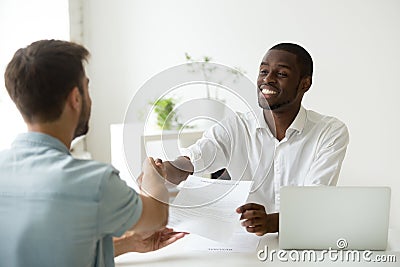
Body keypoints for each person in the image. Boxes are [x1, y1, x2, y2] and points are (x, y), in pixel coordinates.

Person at [0, 39, 185, 267]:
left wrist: (128, 244)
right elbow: (156, 217)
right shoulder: (94, 182)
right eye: (87, 87)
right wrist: (152, 174)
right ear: (75, 98)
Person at [162, 42, 349, 236]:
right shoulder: (236, 126)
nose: (268, 79)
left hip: (303, 241)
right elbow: (195, 158)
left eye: (281, 74)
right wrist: (165, 170)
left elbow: (317, 200)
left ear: (305, 84)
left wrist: (271, 222)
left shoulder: (330, 131)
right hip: (244, 244)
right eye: (263, 71)